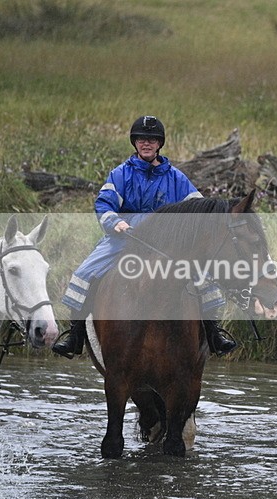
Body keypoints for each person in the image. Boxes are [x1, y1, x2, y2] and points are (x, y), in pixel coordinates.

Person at [52, 115, 236, 358]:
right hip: (124, 238)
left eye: (151, 139)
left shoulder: (177, 178)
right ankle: (74, 335)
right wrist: (114, 222)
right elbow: (104, 204)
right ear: (135, 142)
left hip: (164, 243)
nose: (146, 143)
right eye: (141, 139)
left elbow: (196, 207)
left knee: (204, 277)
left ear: (159, 144)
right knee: (85, 273)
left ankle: (214, 333)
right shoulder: (120, 174)